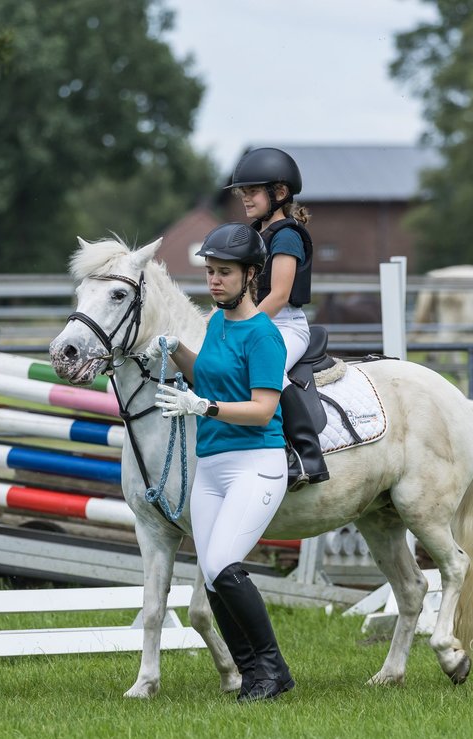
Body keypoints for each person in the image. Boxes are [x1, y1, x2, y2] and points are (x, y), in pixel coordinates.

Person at [145, 222, 295, 702]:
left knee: (223, 565)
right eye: (209, 272)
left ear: (251, 275)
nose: (214, 281)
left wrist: (203, 407)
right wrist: (174, 350)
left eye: (224, 273)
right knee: (211, 575)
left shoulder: (263, 335)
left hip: (256, 463)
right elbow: (204, 373)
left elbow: (263, 409)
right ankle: (253, 676)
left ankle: (274, 671)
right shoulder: (214, 325)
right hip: (210, 465)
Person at [225, 146, 329, 490]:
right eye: (243, 193)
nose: (245, 199)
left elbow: (279, 295)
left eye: (251, 192)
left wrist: (245, 325)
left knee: (267, 369)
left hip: (285, 324)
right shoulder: (254, 233)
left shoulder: (286, 235)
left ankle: (305, 454)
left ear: (279, 193)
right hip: (257, 321)